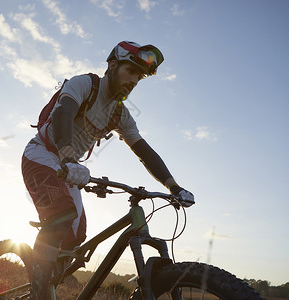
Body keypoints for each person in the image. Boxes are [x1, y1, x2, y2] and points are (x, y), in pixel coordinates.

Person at [21, 41, 194, 299]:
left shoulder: (120, 114)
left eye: (139, 76)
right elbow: (63, 113)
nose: (134, 80)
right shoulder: (85, 84)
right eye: (131, 71)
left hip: (69, 168)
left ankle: (47, 275)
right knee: (62, 214)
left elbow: (144, 152)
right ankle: (39, 290)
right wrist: (68, 157)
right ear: (112, 65)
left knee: (76, 236)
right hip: (41, 155)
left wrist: (174, 187)